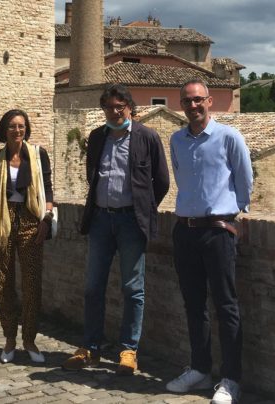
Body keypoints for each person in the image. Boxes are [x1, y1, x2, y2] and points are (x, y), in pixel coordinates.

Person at [61, 84, 169, 375]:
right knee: (92, 287)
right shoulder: (97, 137)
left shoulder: (147, 137)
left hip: (131, 222)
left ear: (130, 108)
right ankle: (91, 348)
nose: (114, 111)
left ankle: (128, 350)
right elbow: (92, 175)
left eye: (119, 106)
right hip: (100, 221)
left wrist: (142, 210)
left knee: (133, 288)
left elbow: (161, 182)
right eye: (108, 107)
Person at [165, 79, 253, 404]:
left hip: (218, 230)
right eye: (187, 101)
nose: (193, 106)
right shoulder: (176, 140)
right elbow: (181, 177)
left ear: (209, 101)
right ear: (182, 105)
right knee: (193, 305)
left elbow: (245, 180)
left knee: (226, 305)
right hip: (185, 230)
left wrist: (233, 216)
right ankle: (200, 370)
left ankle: (231, 379)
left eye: (198, 100)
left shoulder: (229, 137)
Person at [0, 109, 54, 364]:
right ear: (4, 129)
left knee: (32, 283)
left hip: (30, 219)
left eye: (21, 126)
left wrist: (46, 220)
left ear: (26, 129)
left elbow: (48, 188)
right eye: (12, 126)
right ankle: (10, 339)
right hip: (2, 220)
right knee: (2, 284)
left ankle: (30, 340)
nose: (17, 130)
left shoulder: (37, 155)